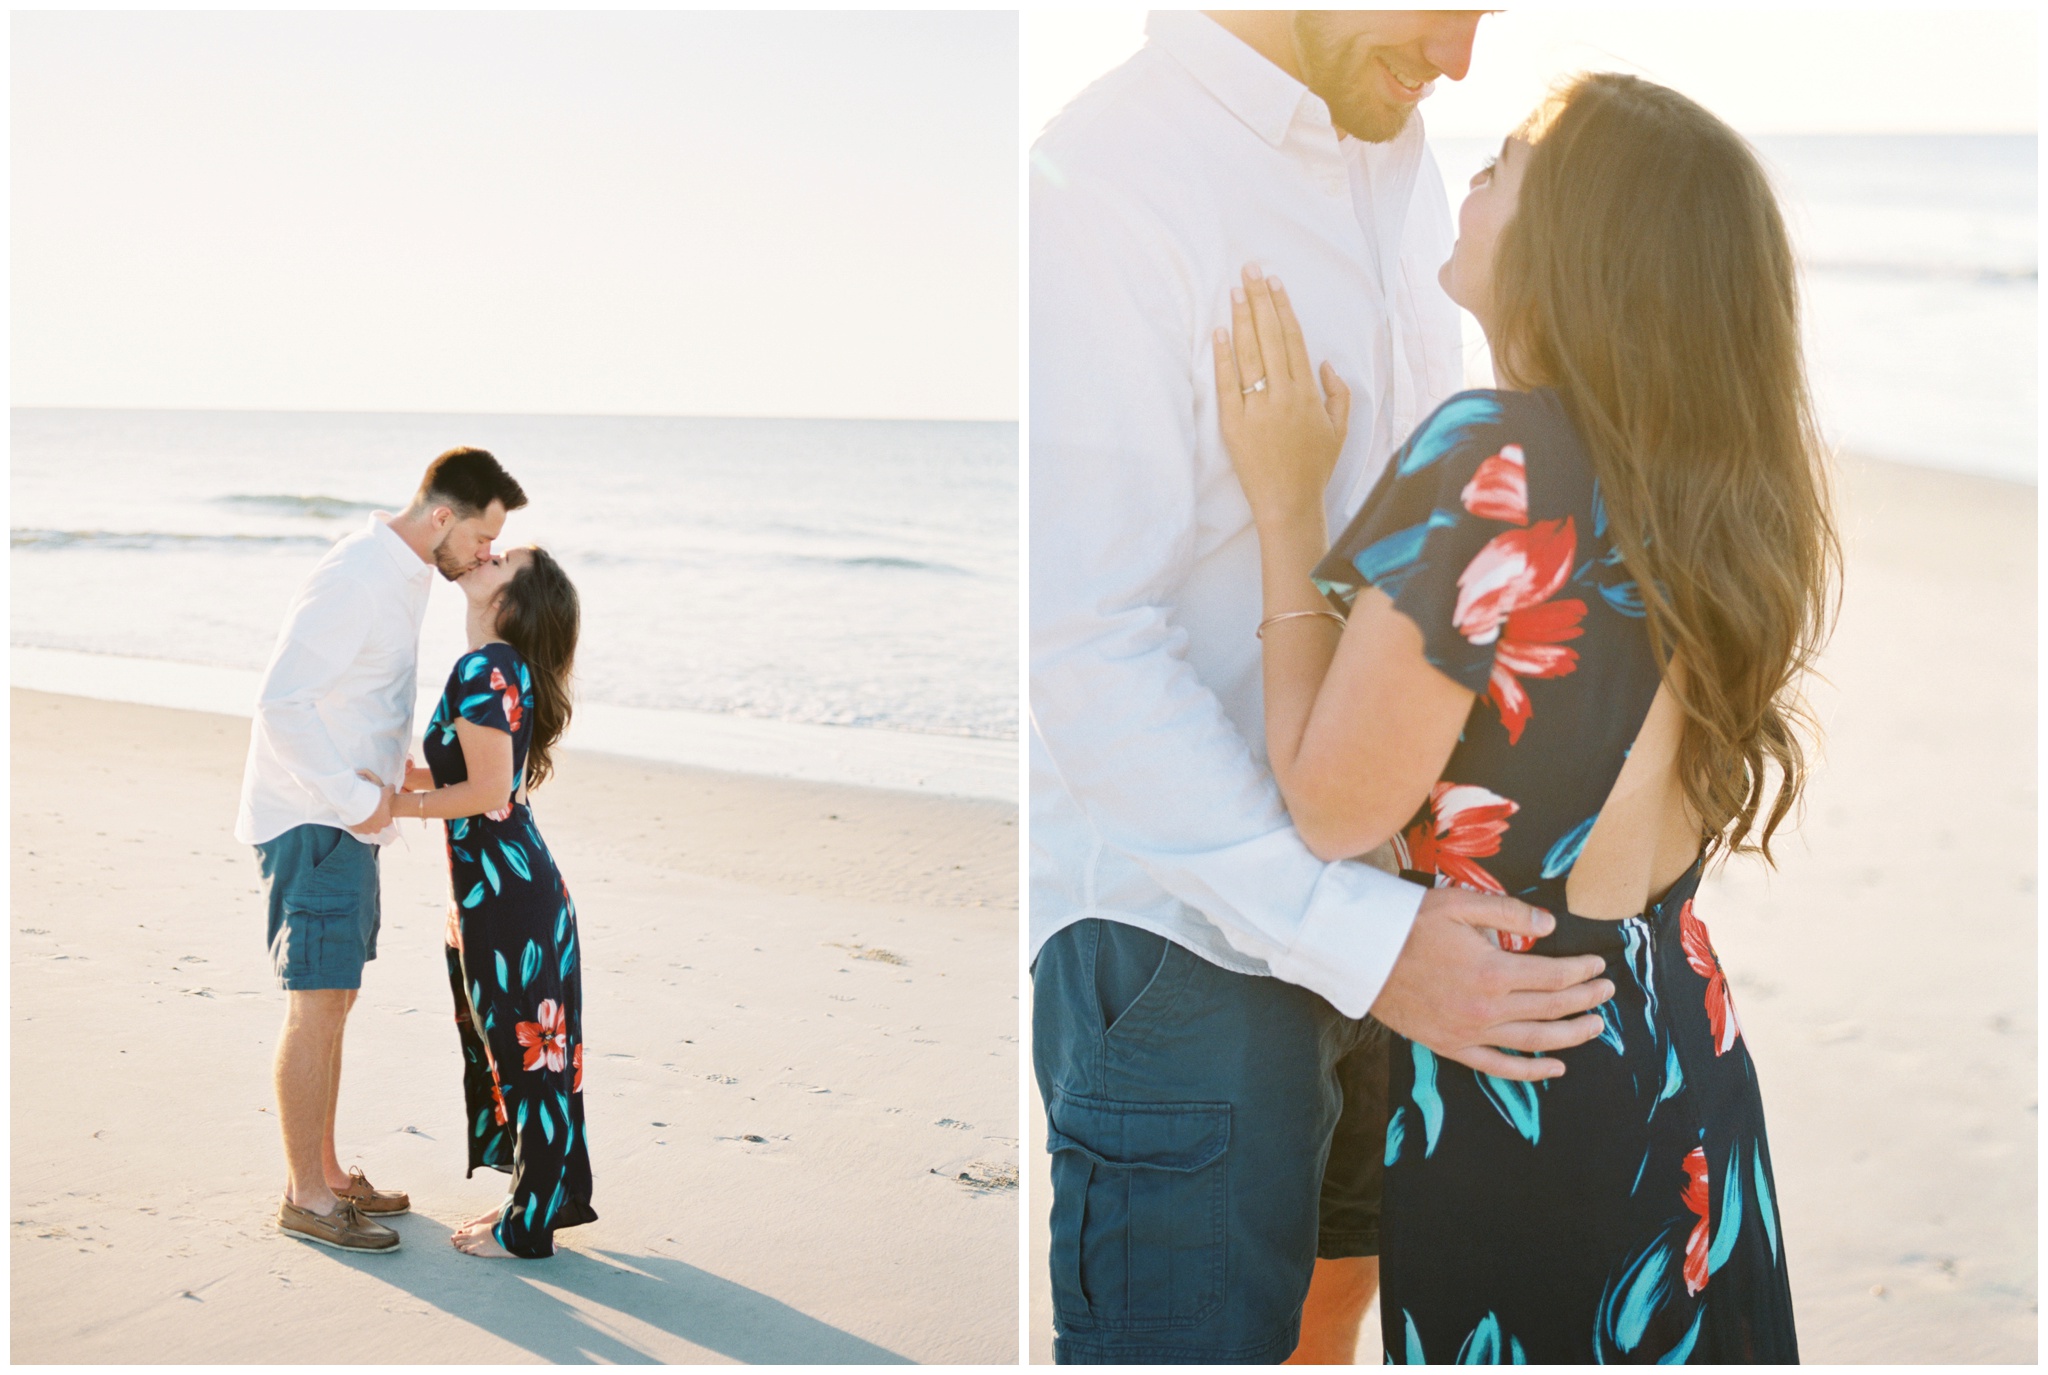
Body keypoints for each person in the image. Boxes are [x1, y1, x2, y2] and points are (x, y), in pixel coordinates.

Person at [1212, 72, 1831, 1361]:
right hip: (1684, 1060)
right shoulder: (1706, 494)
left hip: (1534, 1097)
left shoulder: (1493, 456)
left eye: (1506, 164)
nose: (1475, 180)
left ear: (1585, 243)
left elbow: (1328, 807)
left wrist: (1284, 509)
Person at [1030, 11, 1616, 1363]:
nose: (1464, 58)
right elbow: (1082, 638)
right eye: (1448, 7)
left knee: (1331, 1320)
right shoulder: (1110, 179)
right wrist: (1360, 936)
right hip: (1197, 938)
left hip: (1397, 898)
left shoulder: (1394, 145)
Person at [238, 446, 526, 1253]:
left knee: (337, 999)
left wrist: (386, 788)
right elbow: (281, 702)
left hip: (348, 819)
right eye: (481, 538)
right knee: (317, 1000)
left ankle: (326, 1174)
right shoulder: (358, 575)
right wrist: (361, 799)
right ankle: (307, 1196)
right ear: (443, 516)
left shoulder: (400, 575)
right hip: (317, 816)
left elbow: (359, 695)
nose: (485, 555)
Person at [392, 544, 594, 1259]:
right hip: (508, 889)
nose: (491, 552)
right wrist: (388, 775)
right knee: (537, 1055)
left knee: (528, 1059)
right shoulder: (499, 669)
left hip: (509, 895)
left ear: (516, 600)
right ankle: (550, 1194)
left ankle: (526, 1225)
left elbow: (486, 793)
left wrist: (390, 802)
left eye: (508, 559)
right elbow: (469, 775)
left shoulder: (487, 667)